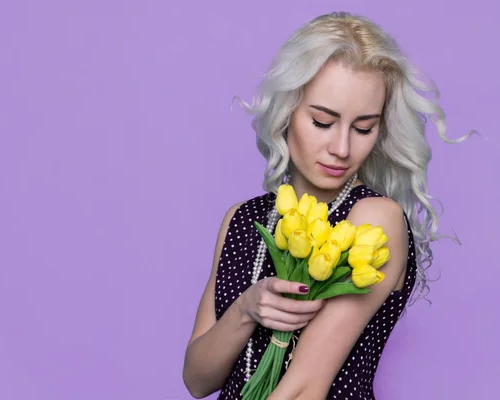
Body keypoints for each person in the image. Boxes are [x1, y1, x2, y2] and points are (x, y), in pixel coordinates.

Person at [182, 11, 472, 400]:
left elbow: (305, 388)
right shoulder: (243, 220)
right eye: (322, 121)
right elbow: (197, 380)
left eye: (363, 128)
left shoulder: (373, 220)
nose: (341, 148)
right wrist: (247, 309)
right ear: (287, 111)